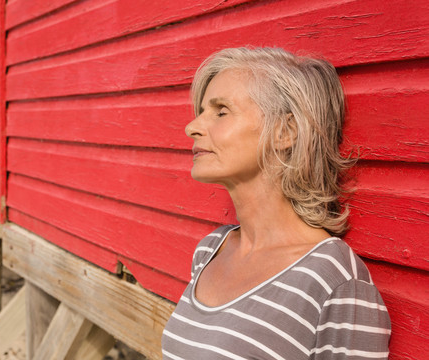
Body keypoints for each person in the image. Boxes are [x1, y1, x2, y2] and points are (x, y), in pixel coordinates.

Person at [161, 47, 391, 359]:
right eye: (201, 111)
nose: (193, 127)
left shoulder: (334, 280)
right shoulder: (211, 249)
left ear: (285, 132)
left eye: (220, 111)